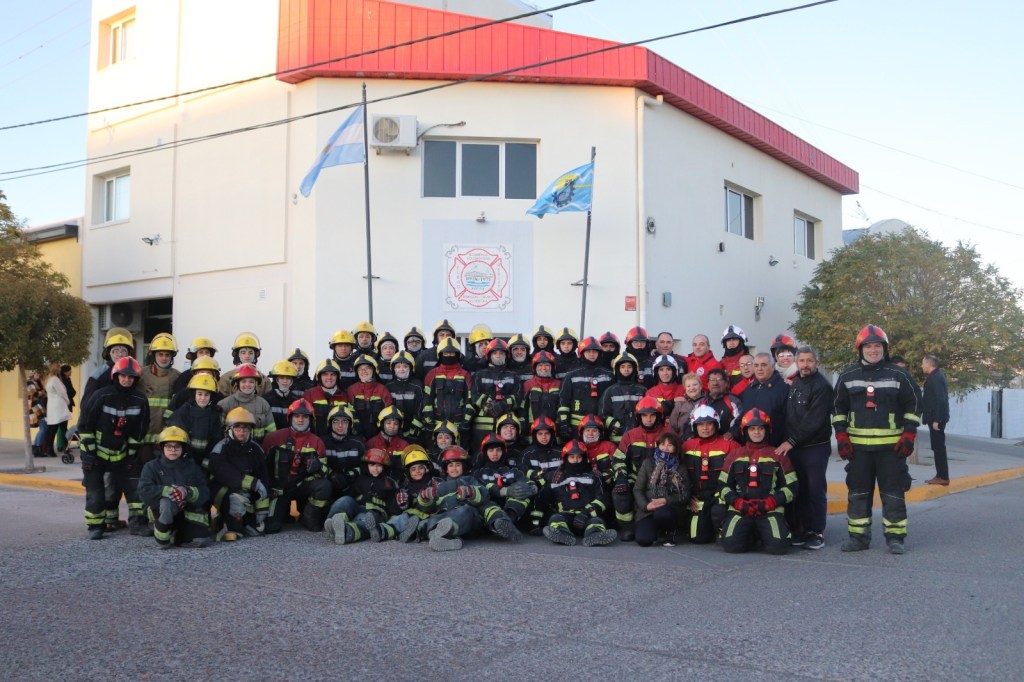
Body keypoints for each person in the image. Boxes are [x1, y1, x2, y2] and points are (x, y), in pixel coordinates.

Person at [833, 325, 920, 555]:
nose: (873, 350)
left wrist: (909, 434)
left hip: (891, 450)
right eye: (868, 346)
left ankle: (895, 538)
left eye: (877, 346)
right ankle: (858, 538)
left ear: (885, 348)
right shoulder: (848, 375)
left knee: (893, 494)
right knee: (858, 494)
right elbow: (838, 408)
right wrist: (841, 435)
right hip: (858, 450)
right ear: (860, 349)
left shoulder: (899, 375)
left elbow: (914, 404)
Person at [77, 357, 150, 538]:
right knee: (95, 491)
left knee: (135, 489)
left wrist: (131, 454)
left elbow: (140, 430)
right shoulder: (101, 395)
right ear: (115, 376)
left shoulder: (140, 400)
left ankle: (138, 524)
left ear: (135, 379)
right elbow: (85, 425)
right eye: (123, 376)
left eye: (130, 377)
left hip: (123, 455)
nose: (126, 380)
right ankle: (96, 526)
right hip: (96, 453)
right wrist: (89, 453)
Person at [775, 346, 834, 550]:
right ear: (797, 363)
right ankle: (802, 530)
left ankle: (816, 532)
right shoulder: (796, 382)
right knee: (799, 490)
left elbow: (813, 421)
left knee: (815, 490)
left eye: (810, 361)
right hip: (796, 447)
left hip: (814, 447)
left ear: (817, 363)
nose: (805, 365)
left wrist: (790, 441)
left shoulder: (822, 387)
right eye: (802, 361)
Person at [718, 409, 797, 555]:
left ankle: (765, 534)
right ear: (745, 431)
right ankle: (752, 535)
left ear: (767, 430)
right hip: (740, 510)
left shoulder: (778, 455)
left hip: (770, 510)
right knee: (731, 546)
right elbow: (723, 486)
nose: (756, 432)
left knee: (778, 547)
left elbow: (792, 487)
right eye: (752, 428)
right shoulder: (734, 455)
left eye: (760, 428)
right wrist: (738, 503)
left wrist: (771, 502)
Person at [261, 399, 331, 533]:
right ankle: (283, 512)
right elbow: (262, 467)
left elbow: (326, 471)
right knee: (271, 527)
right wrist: (269, 488)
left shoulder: (317, 442)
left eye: (305, 417)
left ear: (311, 419)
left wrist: (318, 467)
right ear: (290, 418)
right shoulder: (274, 438)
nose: (300, 420)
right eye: (297, 416)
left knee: (324, 486)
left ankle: (308, 516)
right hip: (279, 490)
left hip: (302, 486)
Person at [137, 426, 212, 549]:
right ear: (161, 447)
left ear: (183, 448)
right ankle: (163, 532)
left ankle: (177, 535)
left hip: (186, 510)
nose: (173, 449)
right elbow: (143, 490)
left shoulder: (192, 467)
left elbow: (205, 491)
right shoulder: (151, 467)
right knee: (166, 503)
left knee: (201, 540)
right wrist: (167, 491)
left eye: (177, 446)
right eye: (168, 446)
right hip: (161, 510)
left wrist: (187, 492)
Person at [536, 440, 617, 547]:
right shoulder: (556, 477)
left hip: (588, 516)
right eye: (572, 457)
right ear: (566, 458)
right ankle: (562, 535)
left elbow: (603, 499)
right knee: (555, 519)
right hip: (565, 516)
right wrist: (536, 523)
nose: (575, 460)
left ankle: (595, 535)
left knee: (597, 522)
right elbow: (542, 498)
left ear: (585, 458)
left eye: (579, 457)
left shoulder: (594, 476)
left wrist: (586, 513)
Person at [207, 407, 269, 541]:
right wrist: (253, 484)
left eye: (245, 428)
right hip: (222, 490)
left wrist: (262, 505)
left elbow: (263, 476)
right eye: (237, 428)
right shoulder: (221, 448)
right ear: (229, 429)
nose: (242, 432)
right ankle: (231, 528)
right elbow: (225, 473)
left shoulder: (256, 449)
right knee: (236, 499)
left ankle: (231, 521)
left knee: (257, 530)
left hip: (248, 491)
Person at [682, 404, 738, 543]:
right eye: (700, 424)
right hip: (698, 498)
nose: (705, 428)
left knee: (718, 511)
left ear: (716, 424)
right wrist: (688, 497)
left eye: (709, 424)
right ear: (694, 426)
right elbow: (679, 475)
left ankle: (722, 530)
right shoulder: (687, 446)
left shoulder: (730, 445)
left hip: (721, 496)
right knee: (697, 538)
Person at [323, 448, 400, 545]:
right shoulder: (360, 479)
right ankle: (334, 522)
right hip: (359, 507)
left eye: (379, 465)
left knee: (364, 519)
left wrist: (392, 518)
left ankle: (347, 532)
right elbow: (350, 494)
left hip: (375, 512)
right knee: (344, 500)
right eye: (372, 465)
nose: (375, 469)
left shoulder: (389, 483)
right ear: (366, 465)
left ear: (385, 467)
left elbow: (393, 505)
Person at [633, 430, 691, 547]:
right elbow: (637, 489)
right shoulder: (648, 463)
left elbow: (685, 494)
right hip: (649, 509)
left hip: (670, 509)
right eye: (662, 444)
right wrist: (646, 505)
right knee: (643, 540)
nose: (665, 448)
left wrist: (666, 500)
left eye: (670, 445)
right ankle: (656, 531)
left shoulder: (681, 468)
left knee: (662, 514)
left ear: (675, 448)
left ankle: (670, 532)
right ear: (658, 445)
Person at [464, 338, 521, 453]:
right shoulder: (479, 375)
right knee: (481, 453)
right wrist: (489, 405)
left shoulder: (514, 376)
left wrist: (503, 405)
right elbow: (474, 395)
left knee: (504, 454)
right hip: (482, 427)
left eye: (501, 353)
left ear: (506, 355)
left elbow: (519, 397)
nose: (498, 356)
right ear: (489, 355)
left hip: (505, 426)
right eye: (495, 353)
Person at [556, 336, 612, 442]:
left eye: (594, 351)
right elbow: (563, 401)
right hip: (576, 427)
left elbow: (611, 403)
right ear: (582, 353)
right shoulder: (571, 375)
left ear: (599, 353)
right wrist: (564, 422)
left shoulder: (608, 375)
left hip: (600, 426)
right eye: (588, 351)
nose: (592, 354)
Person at [217, 363, 276, 444]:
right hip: (231, 449)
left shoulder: (263, 404)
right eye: (244, 381)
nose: (247, 385)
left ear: (255, 384)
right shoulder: (225, 404)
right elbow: (218, 432)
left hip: (257, 448)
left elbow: (272, 433)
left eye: (251, 382)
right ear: (238, 383)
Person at [739, 353, 789, 446]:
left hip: (776, 447)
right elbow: (743, 417)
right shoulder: (749, 389)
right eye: (756, 365)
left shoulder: (784, 388)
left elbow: (792, 421)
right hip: (751, 447)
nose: (759, 369)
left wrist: (788, 442)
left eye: (764, 365)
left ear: (773, 366)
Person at [598, 352, 647, 443]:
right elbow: (603, 415)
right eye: (623, 367)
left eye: (629, 367)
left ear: (635, 369)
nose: (626, 369)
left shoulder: (642, 390)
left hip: (639, 439)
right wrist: (615, 426)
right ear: (617, 369)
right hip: (616, 441)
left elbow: (648, 412)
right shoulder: (610, 391)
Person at [345, 355, 394, 440]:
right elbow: (349, 412)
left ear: (374, 370)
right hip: (356, 435)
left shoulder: (382, 389)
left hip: (379, 435)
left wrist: (381, 431)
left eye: (367, 368)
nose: (364, 371)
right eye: (360, 369)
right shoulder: (351, 390)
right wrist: (356, 430)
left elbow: (389, 413)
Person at [921, 354, 951, 486]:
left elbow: (941, 399)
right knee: (937, 447)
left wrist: (937, 420)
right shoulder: (935, 376)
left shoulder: (936, 378)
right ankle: (940, 475)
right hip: (934, 417)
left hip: (936, 418)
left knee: (938, 447)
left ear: (929, 364)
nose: (922, 366)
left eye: (923, 363)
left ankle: (943, 477)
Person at [43, 361, 71, 457]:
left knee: (52, 429)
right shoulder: (55, 379)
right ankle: (65, 448)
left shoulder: (48, 379)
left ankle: (49, 449)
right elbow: (62, 392)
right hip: (58, 406)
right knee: (62, 428)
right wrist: (67, 401)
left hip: (51, 405)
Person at [28, 368, 48, 457]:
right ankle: (37, 447)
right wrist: (43, 392)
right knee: (44, 427)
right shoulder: (29, 382)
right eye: (36, 374)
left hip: (38, 407)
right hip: (34, 407)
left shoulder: (36, 383)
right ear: (32, 374)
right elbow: (35, 394)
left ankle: (36, 448)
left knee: (43, 427)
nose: (38, 376)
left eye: (39, 374)